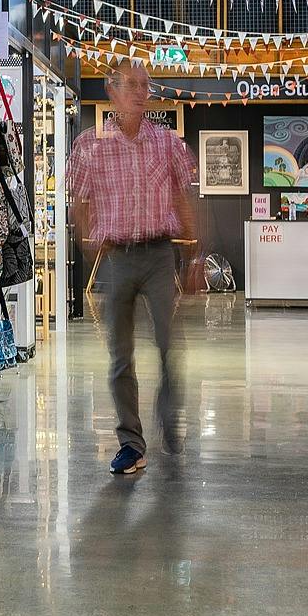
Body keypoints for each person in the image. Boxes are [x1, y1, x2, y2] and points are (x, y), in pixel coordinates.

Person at [68, 61, 198, 477]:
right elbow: (79, 201)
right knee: (120, 357)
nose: (142, 92)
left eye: (146, 85)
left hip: (160, 255)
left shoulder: (166, 143)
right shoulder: (91, 145)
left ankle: (168, 415)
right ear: (112, 91)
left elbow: (183, 196)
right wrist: (91, 241)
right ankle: (131, 443)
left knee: (167, 346)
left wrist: (194, 255)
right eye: (133, 85)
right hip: (118, 256)